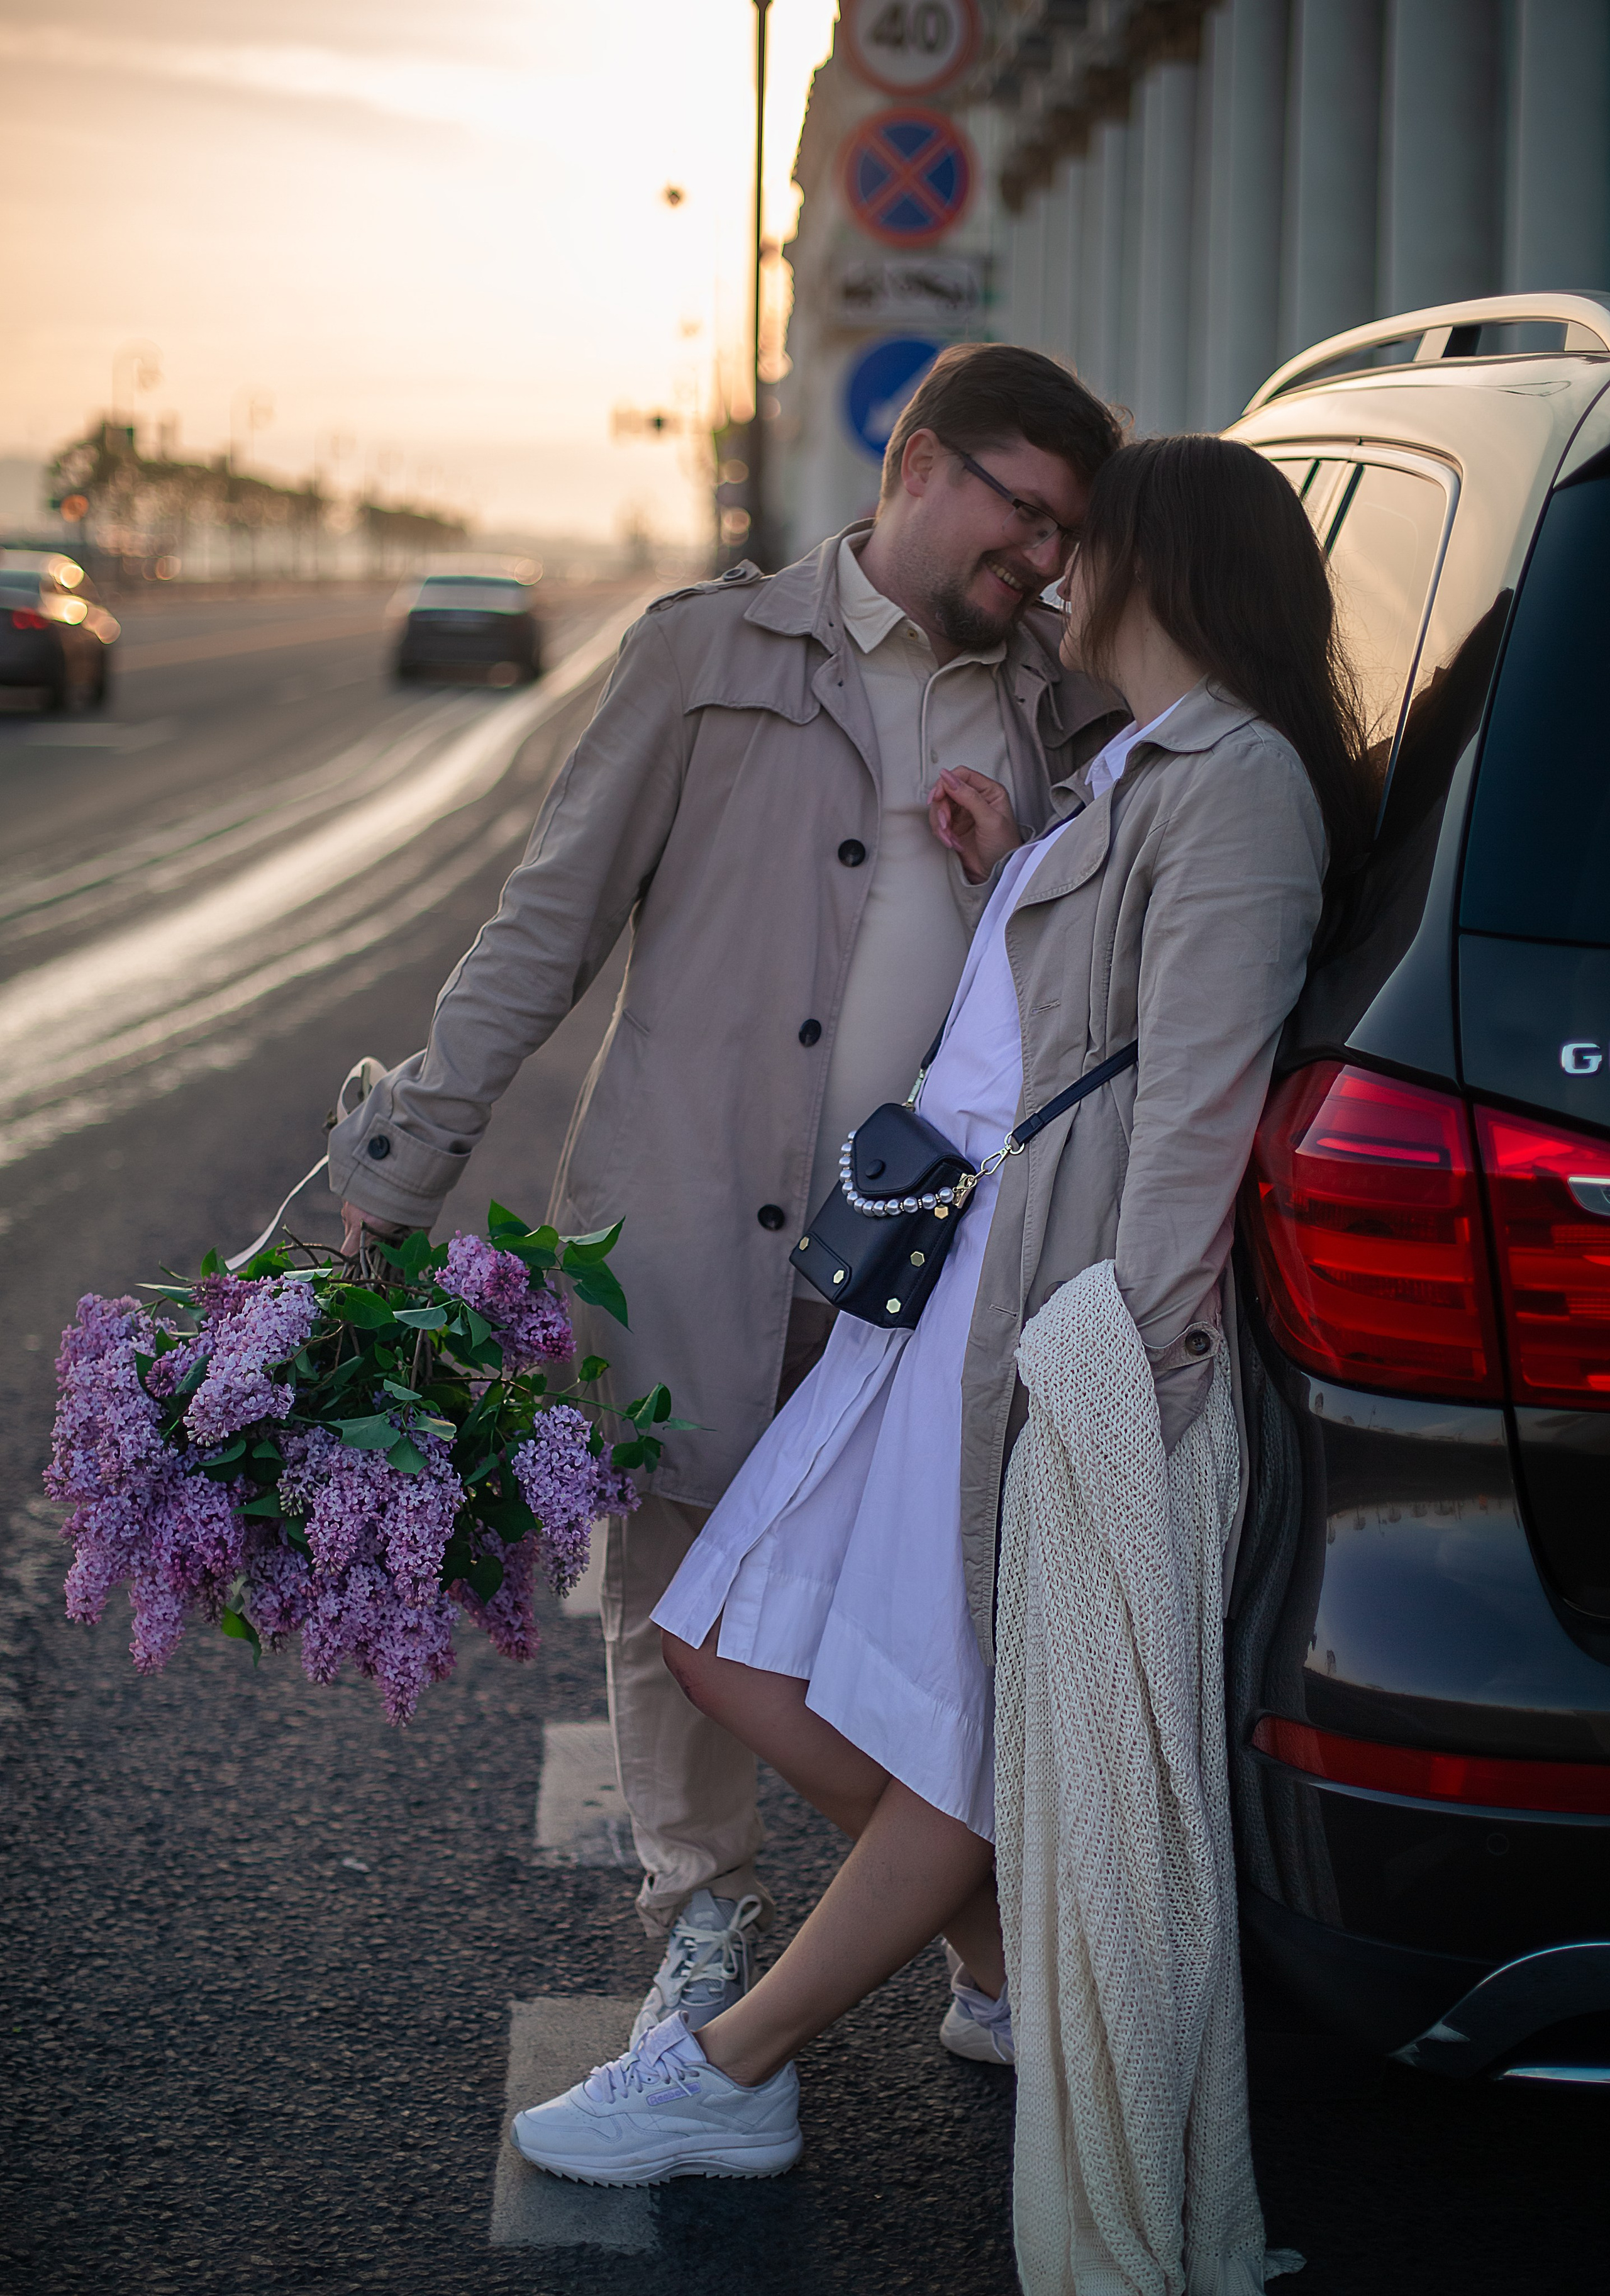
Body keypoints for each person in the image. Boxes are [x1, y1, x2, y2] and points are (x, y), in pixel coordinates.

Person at [508, 432, 1372, 2188]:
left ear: (1172, 570)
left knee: (961, 1730)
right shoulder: (1153, 760)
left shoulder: (1245, 783)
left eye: (1091, 544)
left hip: (1044, 1325)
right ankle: (998, 1961)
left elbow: (1189, 1116)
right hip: (946, 1292)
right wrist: (1011, 870)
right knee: (721, 1632)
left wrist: (1114, 1383)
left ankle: (733, 2066)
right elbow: (1080, 1029)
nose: (1062, 573)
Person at [326, 344, 1125, 2044]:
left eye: (1067, 534)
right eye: (1026, 514)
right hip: (693, 1208)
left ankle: (979, 1933)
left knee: (932, 1590)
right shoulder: (706, 651)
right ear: (919, 462)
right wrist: (404, 1156)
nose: (1046, 560)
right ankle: (706, 1910)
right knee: (675, 1569)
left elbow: (1097, 967)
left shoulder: (1061, 696)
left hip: (952, 1242)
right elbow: (548, 923)